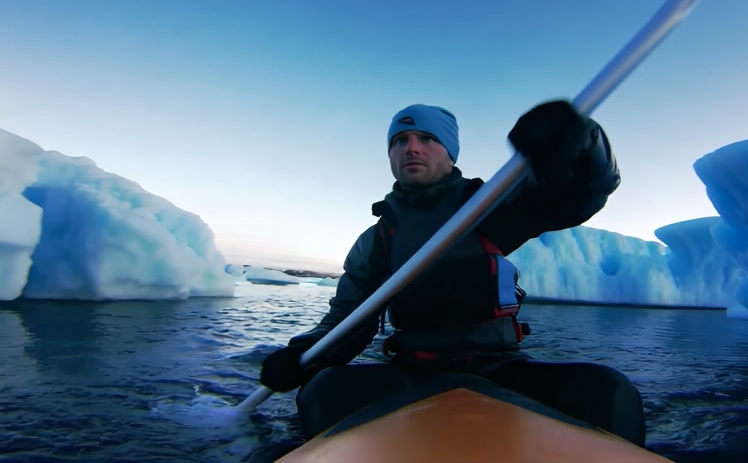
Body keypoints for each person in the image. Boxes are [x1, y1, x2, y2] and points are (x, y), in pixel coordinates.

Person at [260, 100, 646, 446]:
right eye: (400, 140)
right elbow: (346, 320)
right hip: (412, 372)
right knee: (323, 390)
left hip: (499, 369)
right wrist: (302, 355)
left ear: (450, 153)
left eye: (426, 138)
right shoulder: (377, 240)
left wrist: (579, 140)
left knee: (607, 390)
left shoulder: (491, 206)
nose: (410, 147)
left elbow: (580, 191)